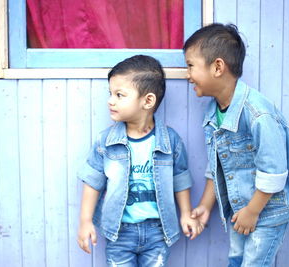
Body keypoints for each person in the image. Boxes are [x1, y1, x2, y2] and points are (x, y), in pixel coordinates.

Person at [183, 23, 289, 267]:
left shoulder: (258, 114)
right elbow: (217, 165)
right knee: (237, 259)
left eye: (191, 66)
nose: (187, 74)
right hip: (241, 207)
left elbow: (273, 172)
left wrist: (253, 211)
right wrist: (204, 205)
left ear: (217, 67)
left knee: (254, 263)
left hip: (268, 208)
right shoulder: (213, 114)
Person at [77, 55, 199, 267]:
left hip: (157, 233)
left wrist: (186, 214)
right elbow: (93, 181)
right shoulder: (106, 141)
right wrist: (85, 221)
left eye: (119, 95)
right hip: (119, 232)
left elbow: (180, 179)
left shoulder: (169, 141)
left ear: (148, 101)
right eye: (110, 93)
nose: (110, 100)